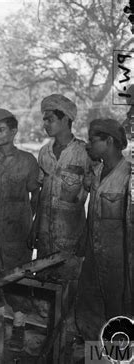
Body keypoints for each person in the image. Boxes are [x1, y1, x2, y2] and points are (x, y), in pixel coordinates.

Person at [0, 109, 40, 350]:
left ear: (13, 132)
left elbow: (36, 193)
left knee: (16, 278)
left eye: (1, 130)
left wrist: (30, 221)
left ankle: (20, 327)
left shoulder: (27, 161)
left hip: (17, 232)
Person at [32, 94, 92, 348]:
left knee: (69, 294)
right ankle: (49, 342)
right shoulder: (44, 152)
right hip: (45, 236)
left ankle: (66, 343)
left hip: (70, 237)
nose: (45, 124)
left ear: (66, 119)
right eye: (44, 119)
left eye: (50, 119)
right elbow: (39, 192)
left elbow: (94, 195)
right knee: (46, 289)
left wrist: (86, 238)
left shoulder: (84, 153)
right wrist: (34, 226)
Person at [76, 118, 132, 341]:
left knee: (118, 316)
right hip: (93, 258)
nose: (88, 145)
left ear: (109, 141)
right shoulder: (97, 171)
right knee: (92, 313)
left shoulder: (128, 175)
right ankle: (96, 358)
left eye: (93, 140)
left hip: (118, 264)